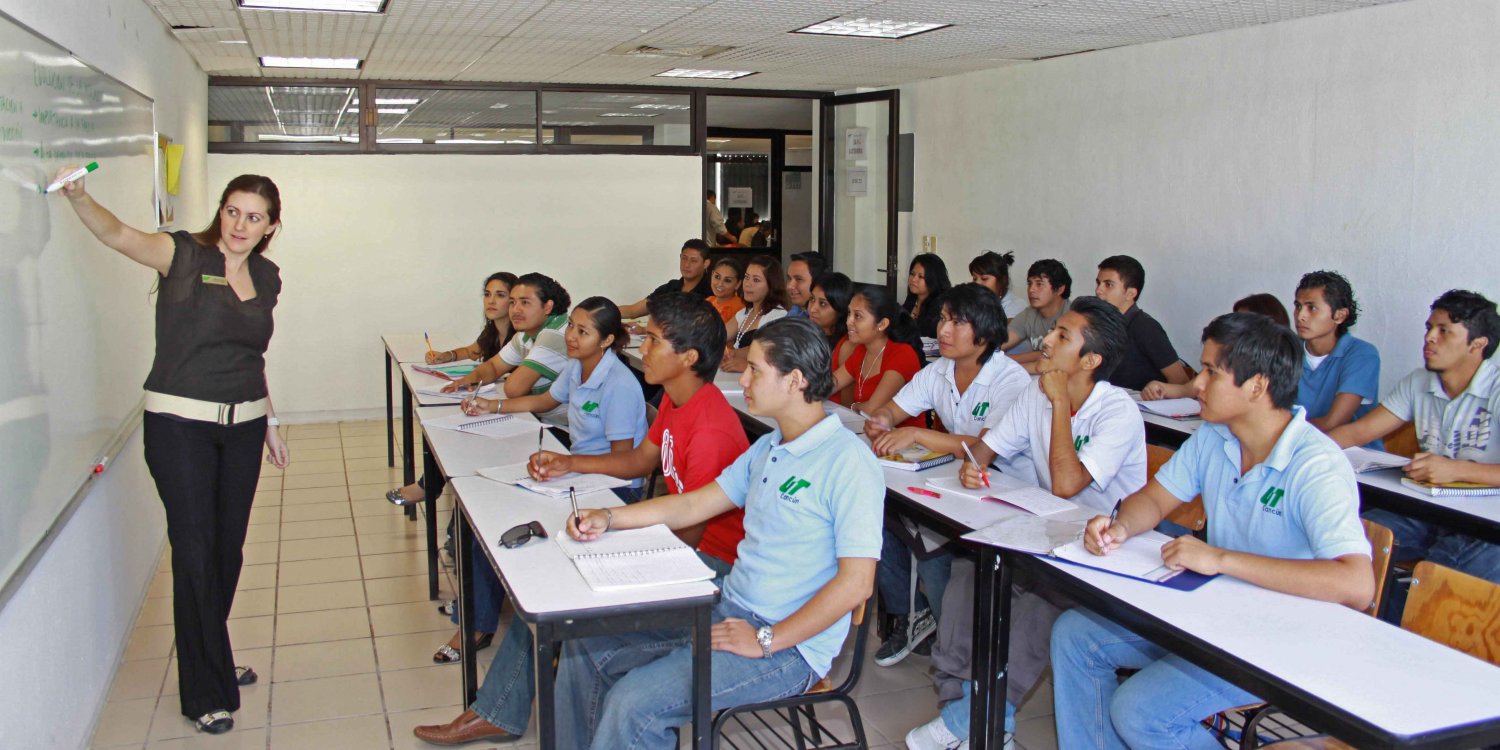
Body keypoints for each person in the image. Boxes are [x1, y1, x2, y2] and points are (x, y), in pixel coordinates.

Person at [443, 318, 883, 748]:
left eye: (755, 370)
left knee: (635, 704)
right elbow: (695, 502)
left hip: (789, 644)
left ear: (795, 381)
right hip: (729, 606)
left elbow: (855, 583)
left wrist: (769, 638)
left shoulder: (848, 461)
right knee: (583, 652)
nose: (742, 378)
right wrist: (610, 518)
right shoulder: (770, 446)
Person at [412, 293, 751, 746]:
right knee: (548, 589)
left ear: (688, 357)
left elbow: (689, 531)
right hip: (681, 542)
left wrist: (611, 529)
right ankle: (497, 712)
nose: (641, 349)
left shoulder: (709, 425)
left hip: (709, 568)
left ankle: (501, 712)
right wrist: (570, 464)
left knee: (566, 602)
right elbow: (639, 461)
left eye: (651, 341)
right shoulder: (677, 399)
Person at [1050, 312, 1373, 750]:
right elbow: (1156, 498)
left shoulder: (1316, 463)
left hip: (1284, 641)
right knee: (1077, 635)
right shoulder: (1213, 436)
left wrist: (1220, 559)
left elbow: (1356, 583)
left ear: (1257, 386)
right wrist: (1120, 526)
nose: (1196, 384)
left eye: (1211, 372)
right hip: (1214, 615)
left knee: (1141, 712)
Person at [57, 169, 289, 734]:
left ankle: (211, 652)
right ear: (222, 211)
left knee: (227, 552)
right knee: (194, 551)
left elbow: (250, 358)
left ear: (271, 228)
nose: (240, 224)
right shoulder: (182, 254)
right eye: (233, 211)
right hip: (178, 428)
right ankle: (205, 691)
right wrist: (79, 196)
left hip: (242, 427)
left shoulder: (267, 275)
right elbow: (118, 234)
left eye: (254, 217)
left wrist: (270, 421)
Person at [905, 297, 1145, 750]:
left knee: (1041, 605)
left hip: (1102, 550)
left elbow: (1067, 482)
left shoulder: (1116, 412)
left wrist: (1058, 405)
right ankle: (971, 715)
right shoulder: (1037, 393)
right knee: (967, 573)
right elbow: (987, 449)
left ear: (1091, 360)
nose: (1046, 340)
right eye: (1052, 331)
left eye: (1062, 336)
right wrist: (972, 467)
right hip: (1045, 531)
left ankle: (976, 719)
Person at [429, 297, 647, 666]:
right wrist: (490, 407)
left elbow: (624, 463)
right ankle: (478, 620)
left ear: (608, 340)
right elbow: (545, 400)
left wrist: (569, 463)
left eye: (583, 331)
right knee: (484, 513)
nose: (572, 337)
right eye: (571, 327)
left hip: (612, 486)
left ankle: (486, 621)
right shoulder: (578, 368)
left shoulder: (619, 384)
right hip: (579, 472)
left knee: (511, 520)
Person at [862, 284, 1030, 666]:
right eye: (942, 319)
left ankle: (957, 651)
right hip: (956, 483)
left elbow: (986, 447)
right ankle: (913, 614)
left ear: (985, 334)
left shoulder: (1010, 379)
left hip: (1006, 491)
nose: (944, 330)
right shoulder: (939, 370)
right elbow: (894, 409)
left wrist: (918, 433)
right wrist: (881, 421)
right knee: (881, 519)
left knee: (933, 546)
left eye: (958, 322)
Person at [1328, 289, 1500, 620]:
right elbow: (1356, 433)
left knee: (1439, 578)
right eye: (1428, 328)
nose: (1429, 339)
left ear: (1477, 345)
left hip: (1484, 527)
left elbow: (1458, 472)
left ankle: (1395, 637)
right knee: (1354, 536)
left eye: (1443, 331)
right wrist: (1299, 454)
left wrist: (1457, 470)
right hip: (1428, 511)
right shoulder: (1419, 382)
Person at [386, 272, 518, 506]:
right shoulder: (492, 331)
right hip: (490, 402)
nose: (491, 301)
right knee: (443, 427)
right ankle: (430, 487)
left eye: (500, 295)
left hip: (511, 409)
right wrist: (446, 356)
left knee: (458, 431)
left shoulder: (520, 337)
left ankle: (429, 488)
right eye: (487, 294)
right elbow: (472, 350)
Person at [444, 272, 572, 426]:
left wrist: (493, 403)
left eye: (524, 303)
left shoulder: (555, 334)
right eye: (512, 302)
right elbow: (493, 366)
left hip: (567, 431)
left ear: (547, 307)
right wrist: (466, 381)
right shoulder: (525, 334)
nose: (515, 310)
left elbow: (513, 389)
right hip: (543, 420)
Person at [1142, 292, 1289, 400]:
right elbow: (1186, 389)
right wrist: (1159, 388)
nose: (1234, 328)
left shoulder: (1283, 370)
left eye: (1242, 323)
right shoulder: (1223, 359)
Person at [1290, 270, 1380, 432]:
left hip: (1352, 452)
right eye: (1298, 306)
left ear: (1339, 316)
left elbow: (1333, 423)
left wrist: (1278, 429)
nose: (1300, 316)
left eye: (1312, 308)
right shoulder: (1286, 349)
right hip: (1292, 446)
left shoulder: (1362, 355)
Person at [1094, 254, 1191, 390]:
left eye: (1108, 285)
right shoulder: (1100, 325)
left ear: (1130, 293)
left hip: (1143, 407)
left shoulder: (1146, 328)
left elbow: (1181, 381)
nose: (1098, 291)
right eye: (1098, 283)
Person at [831, 285, 927, 420]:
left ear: (882, 324)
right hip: (869, 432)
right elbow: (831, 384)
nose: (848, 321)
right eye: (849, 313)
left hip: (900, 437)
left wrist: (853, 407)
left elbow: (872, 410)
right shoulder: (861, 351)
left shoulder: (902, 354)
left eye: (857, 316)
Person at [721, 255, 788, 372]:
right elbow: (718, 336)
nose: (748, 284)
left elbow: (767, 350)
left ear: (771, 285)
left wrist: (731, 354)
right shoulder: (745, 313)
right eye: (747, 277)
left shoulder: (778, 315)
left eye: (756, 280)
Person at [619, 239, 712, 321]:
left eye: (693, 261)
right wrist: (607, 312)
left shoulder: (710, 293)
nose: (686, 265)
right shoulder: (670, 287)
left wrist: (644, 330)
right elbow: (633, 310)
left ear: (706, 264)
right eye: (684, 258)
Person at [1002, 258, 1072, 363]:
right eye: (1030, 283)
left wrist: (1006, 361)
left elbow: (1056, 355)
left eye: (1039, 284)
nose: (1031, 289)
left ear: (1059, 289)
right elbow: (1002, 343)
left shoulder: (1072, 315)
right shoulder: (1029, 314)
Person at [808, 271, 855, 387]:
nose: (813, 309)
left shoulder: (846, 346)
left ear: (840, 309)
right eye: (812, 299)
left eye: (823, 304)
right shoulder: (808, 334)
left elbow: (846, 401)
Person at [904, 253, 953, 339]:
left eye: (920, 276)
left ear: (933, 279)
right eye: (912, 274)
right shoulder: (911, 299)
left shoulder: (942, 306)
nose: (913, 279)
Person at [969, 250, 1025, 318]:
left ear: (1002, 280)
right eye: (974, 279)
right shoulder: (975, 303)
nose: (977, 283)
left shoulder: (1017, 306)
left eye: (984, 279)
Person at [784, 251, 827, 318]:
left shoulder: (823, 320)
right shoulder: (795, 311)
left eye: (799, 279)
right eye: (789, 279)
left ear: (818, 281)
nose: (789, 286)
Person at [707, 257, 745, 323]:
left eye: (727, 280)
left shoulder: (739, 308)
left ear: (738, 284)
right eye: (717, 277)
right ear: (712, 274)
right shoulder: (709, 301)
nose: (720, 284)